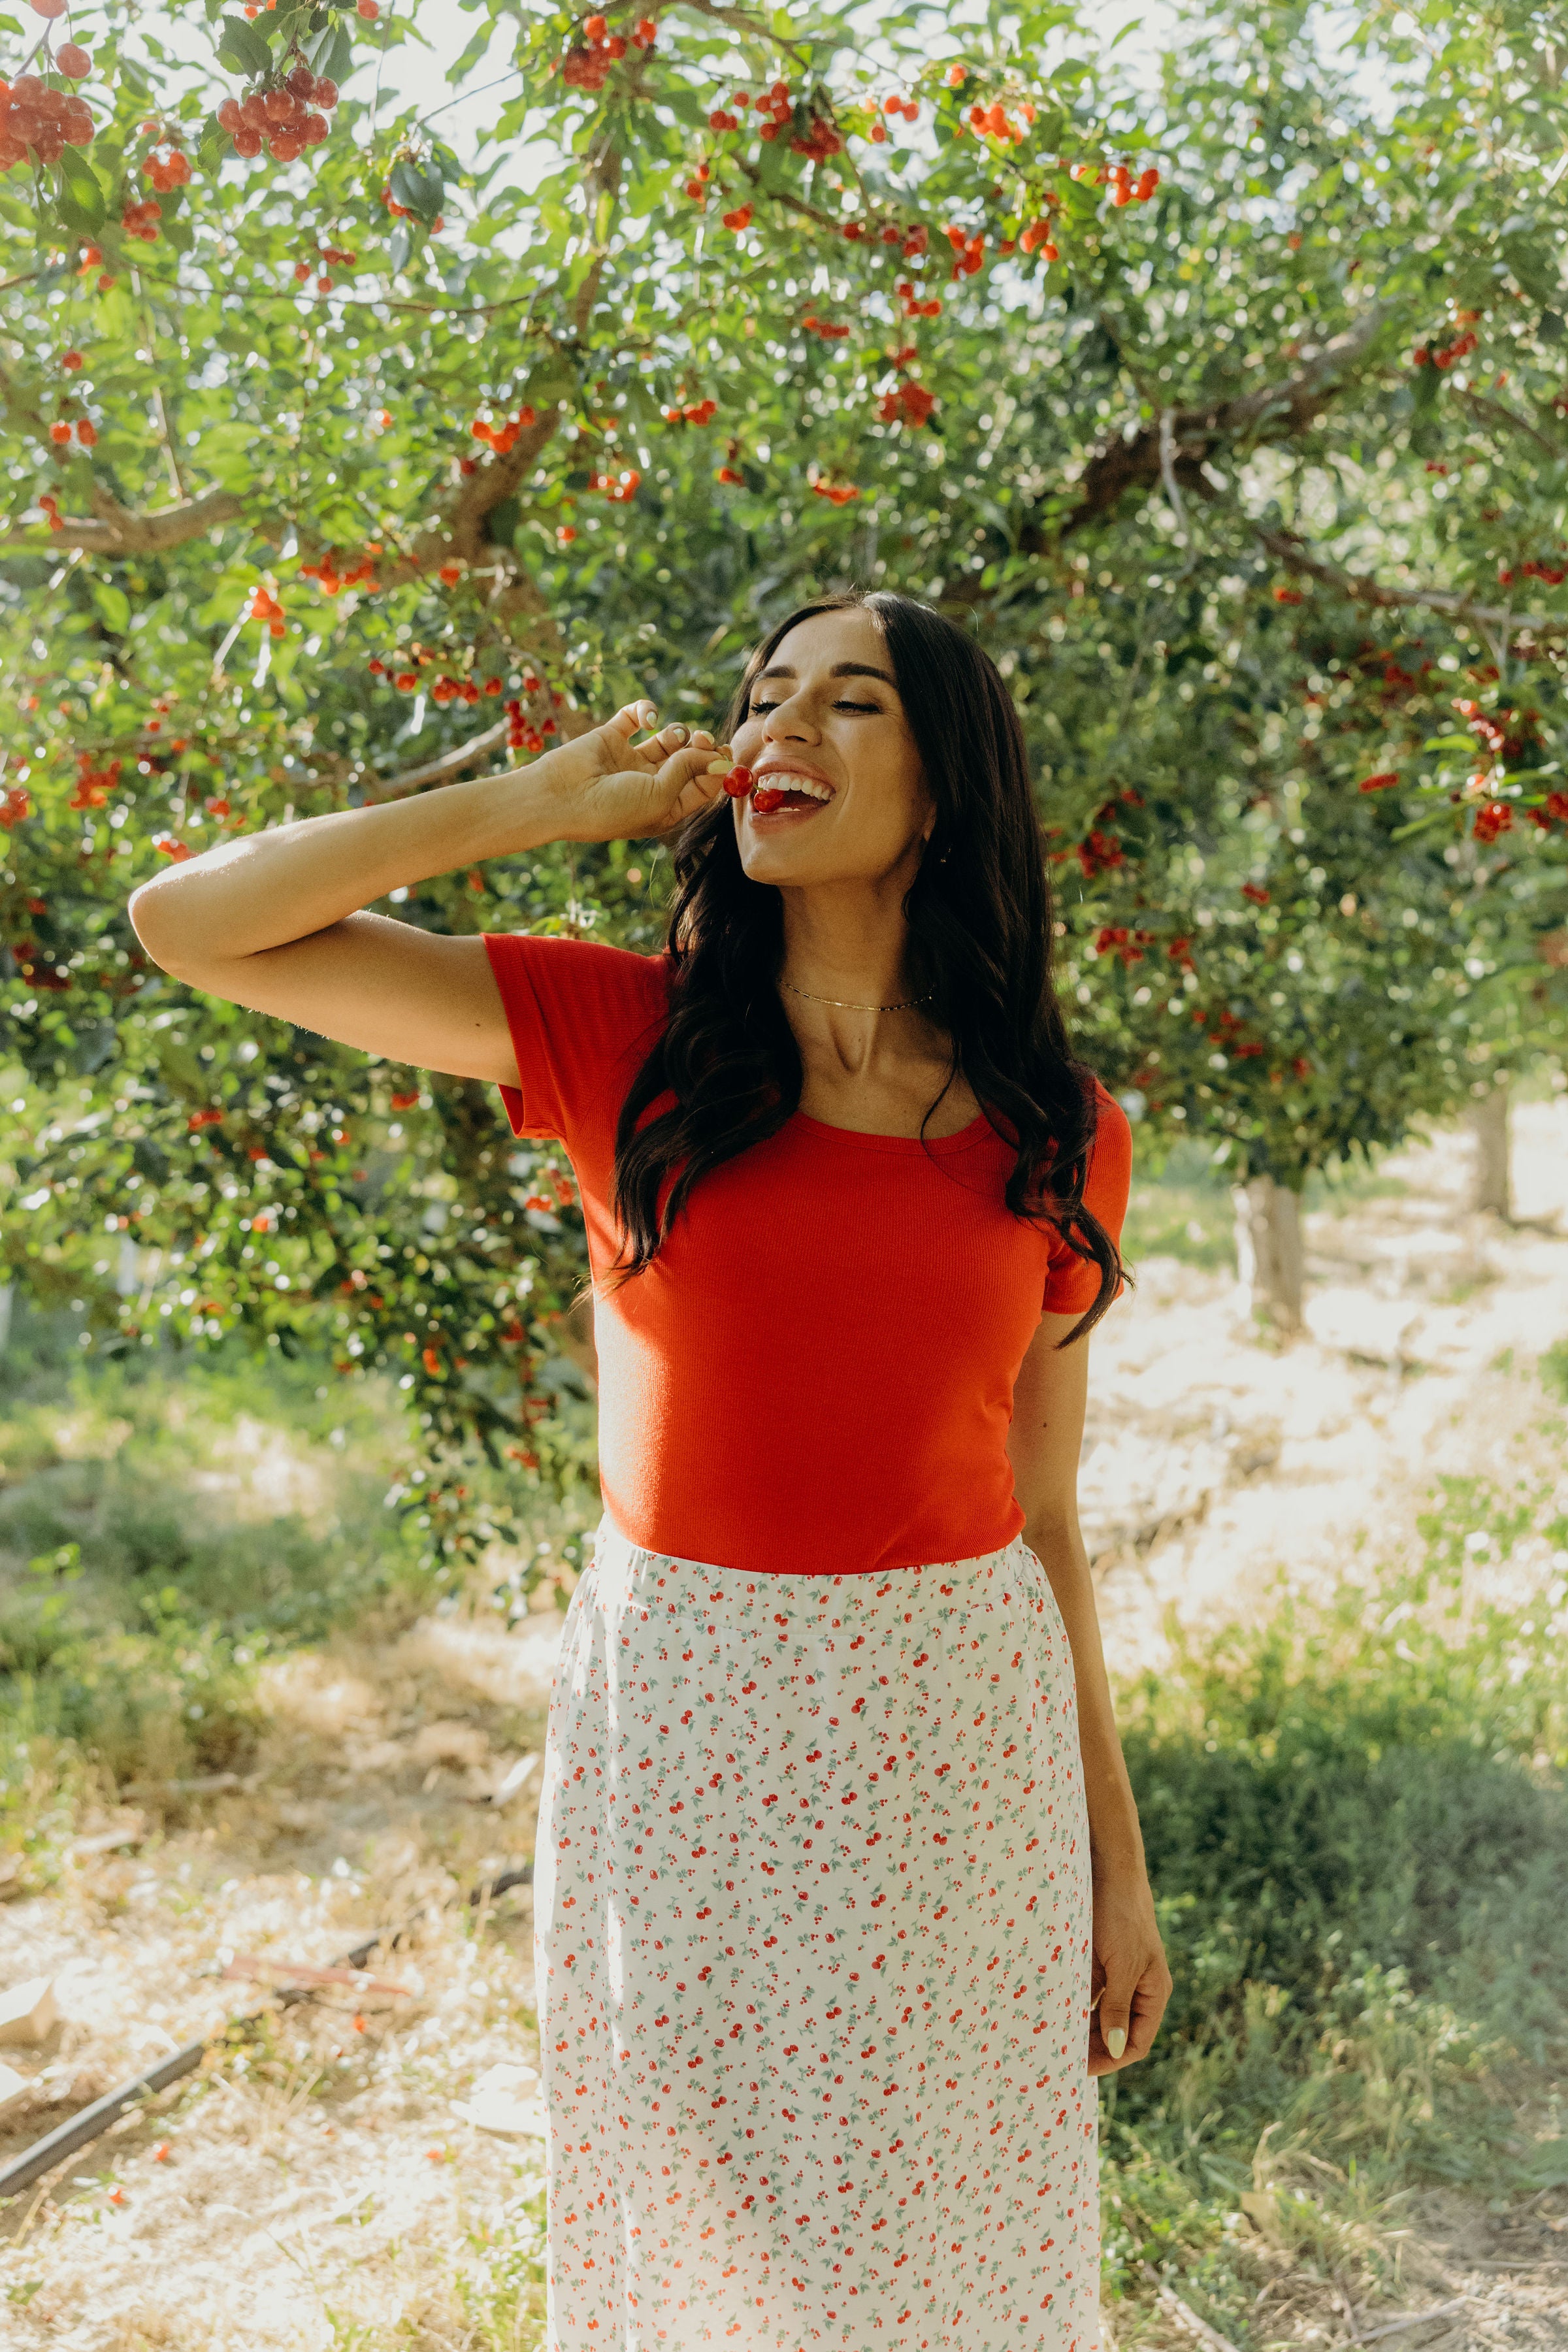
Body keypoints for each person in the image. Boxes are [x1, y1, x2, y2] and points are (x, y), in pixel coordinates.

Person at [128, 587, 1171, 2351]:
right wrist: (527, 806)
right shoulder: (622, 1041)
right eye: (763, 692)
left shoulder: (1057, 1126)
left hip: (959, 1732)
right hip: (693, 1719)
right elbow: (190, 925)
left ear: (948, 790)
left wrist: (1116, 1866)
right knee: (703, 2231)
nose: (782, 728)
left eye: (851, 704)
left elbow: (1045, 1509)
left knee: (951, 2225)